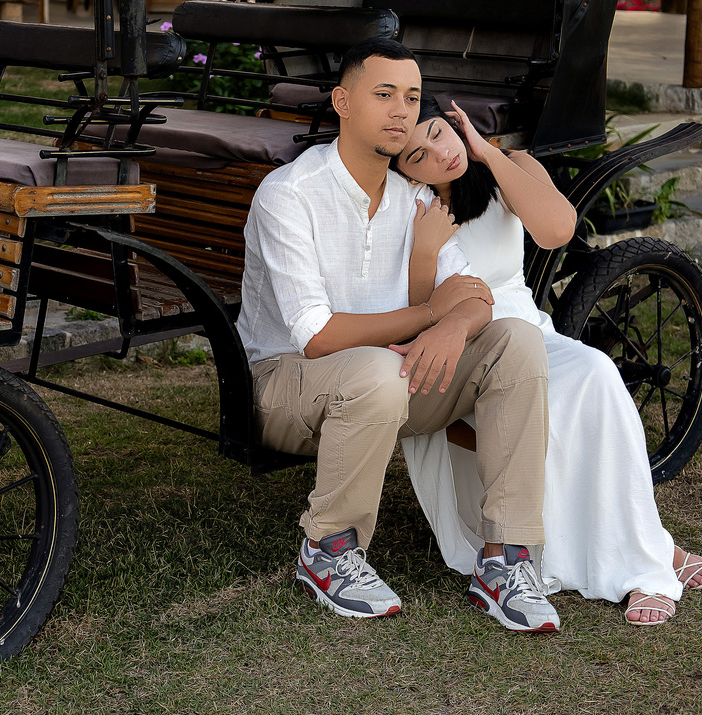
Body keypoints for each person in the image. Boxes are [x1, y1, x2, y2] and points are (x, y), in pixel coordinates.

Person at [237, 37, 562, 632]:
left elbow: (474, 294)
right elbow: (316, 335)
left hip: (392, 380)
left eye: (411, 98)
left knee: (515, 341)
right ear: (343, 101)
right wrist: (426, 318)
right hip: (283, 386)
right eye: (383, 94)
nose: (400, 111)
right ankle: (328, 550)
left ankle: (506, 560)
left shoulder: (413, 197)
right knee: (378, 370)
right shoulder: (291, 195)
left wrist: (453, 325)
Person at [392, 92, 702, 625]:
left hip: (531, 331)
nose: (439, 155)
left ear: (453, 123)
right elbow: (415, 311)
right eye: (417, 156)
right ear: (406, 171)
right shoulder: (412, 207)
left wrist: (488, 153)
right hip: (469, 352)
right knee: (555, 406)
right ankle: (650, 559)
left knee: (596, 374)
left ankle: (645, 554)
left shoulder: (506, 167)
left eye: (438, 133)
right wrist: (425, 250)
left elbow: (557, 230)